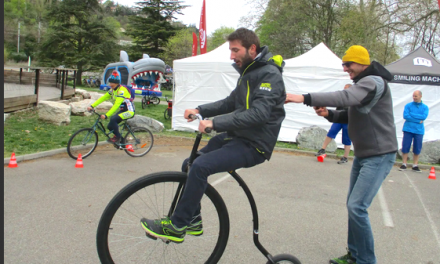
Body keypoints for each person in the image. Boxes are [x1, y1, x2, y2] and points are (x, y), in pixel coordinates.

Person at [140, 28, 286, 243]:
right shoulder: (249, 73)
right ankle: (193, 221)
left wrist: (215, 123)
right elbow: (230, 102)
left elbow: (259, 114)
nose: (231, 56)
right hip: (237, 137)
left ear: (252, 49)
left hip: (254, 144)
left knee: (201, 166)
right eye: (230, 50)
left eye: (235, 50)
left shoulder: (269, 76)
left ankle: (177, 225)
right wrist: (200, 110)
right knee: (190, 164)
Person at [285, 45, 397, 264]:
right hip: (366, 155)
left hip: (380, 155)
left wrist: (304, 97)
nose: (345, 68)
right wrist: (328, 114)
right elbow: (350, 114)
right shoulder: (363, 84)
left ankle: (365, 260)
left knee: (357, 206)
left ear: (362, 63)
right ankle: (355, 255)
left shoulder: (373, 82)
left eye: (349, 64)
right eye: (343, 64)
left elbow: (345, 96)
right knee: (353, 206)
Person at [87, 70, 135, 144]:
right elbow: (103, 98)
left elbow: (117, 104)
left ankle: (118, 138)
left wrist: (107, 115)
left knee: (113, 119)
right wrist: (92, 106)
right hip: (123, 110)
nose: (110, 84)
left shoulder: (122, 91)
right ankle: (123, 142)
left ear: (116, 83)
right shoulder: (112, 90)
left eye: (111, 83)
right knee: (110, 126)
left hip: (129, 111)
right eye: (110, 82)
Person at [315, 84, 353, 164]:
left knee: (347, 140)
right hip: (339, 120)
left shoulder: (353, 100)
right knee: (331, 133)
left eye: (346, 89)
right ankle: (322, 149)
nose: (344, 90)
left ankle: (345, 157)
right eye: (344, 89)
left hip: (348, 122)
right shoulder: (342, 98)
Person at [398, 90, 429, 172]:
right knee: (405, 146)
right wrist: (418, 120)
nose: (414, 97)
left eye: (416, 96)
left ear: (420, 96)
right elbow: (406, 116)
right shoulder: (408, 106)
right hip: (408, 129)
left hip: (419, 131)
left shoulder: (425, 107)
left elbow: (424, 116)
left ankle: (415, 165)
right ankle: (404, 164)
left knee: (417, 147)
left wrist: (412, 115)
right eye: (413, 96)